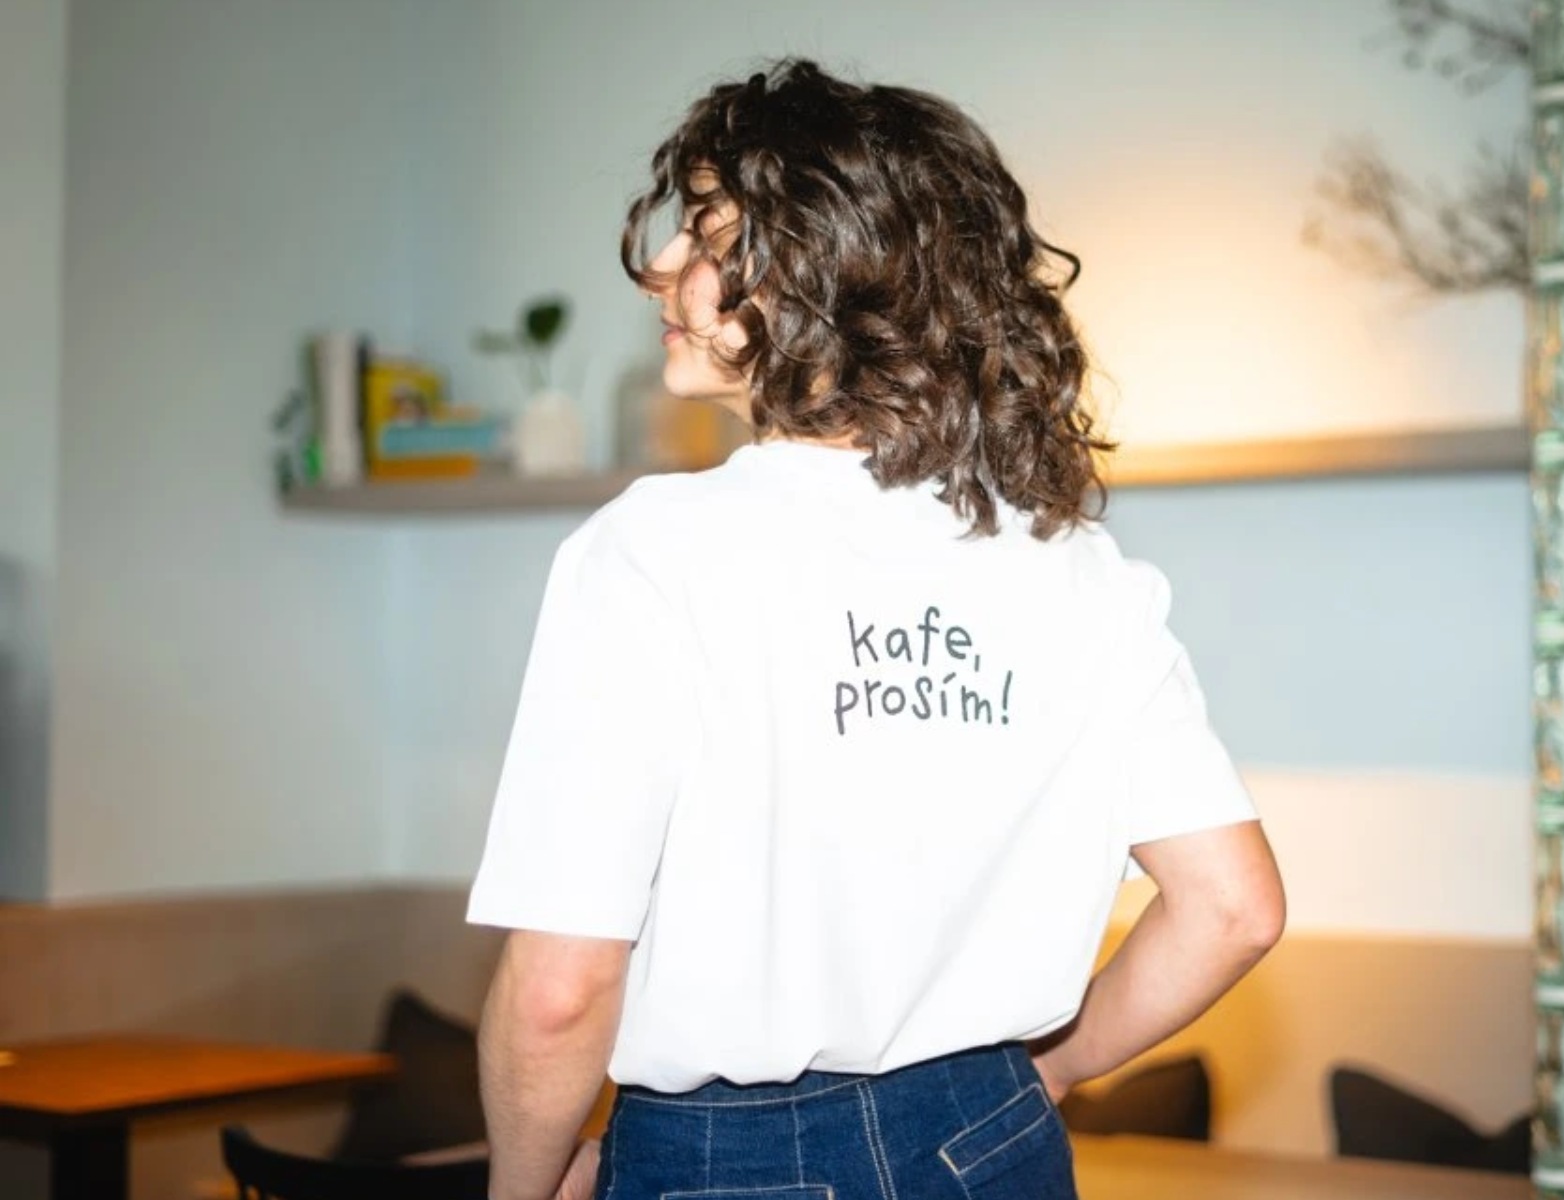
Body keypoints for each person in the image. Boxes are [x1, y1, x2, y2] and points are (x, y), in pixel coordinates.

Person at [467, 58, 1286, 1200]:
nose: (661, 268)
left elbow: (560, 991)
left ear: (818, 270)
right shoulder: (1075, 564)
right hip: (994, 1141)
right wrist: (1050, 1072)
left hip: (734, 1162)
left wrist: (522, 1186)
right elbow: (1234, 909)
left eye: (705, 234)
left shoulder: (654, 551)